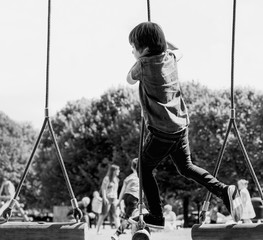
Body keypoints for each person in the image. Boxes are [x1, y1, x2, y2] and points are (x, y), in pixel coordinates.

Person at [127, 22, 243, 229]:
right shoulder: (170, 58)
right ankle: (224, 190)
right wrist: (163, 44)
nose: (132, 51)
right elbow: (179, 50)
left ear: (143, 49)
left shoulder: (142, 65)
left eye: (133, 47)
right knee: (186, 167)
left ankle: (156, 216)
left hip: (161, 132)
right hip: (180, 127)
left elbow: (129, 79)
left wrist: (142, 57)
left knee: (144, 169)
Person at [111, 158, 139, 240]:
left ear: (132, 167)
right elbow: (143, 190)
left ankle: (134, 233)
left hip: (126, 197)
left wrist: (119, 202)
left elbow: (122, 191)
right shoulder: (141, 177)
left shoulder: (128, 178)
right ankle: (117, 234)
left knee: (131, 216)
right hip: (134, 197)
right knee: (127, 218)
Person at [96, 164, 120, 234]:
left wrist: (117, 199)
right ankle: (98, 230)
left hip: (114, 199)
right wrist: (104, 198)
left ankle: (119, 231)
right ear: (114, 171)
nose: (119, 171)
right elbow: (103, 189)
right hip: (107, 198)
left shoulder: (117, 179)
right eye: (118, 170)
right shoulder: (107, 178)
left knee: (116, 214)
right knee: (103, 214)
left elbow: (116, 191)